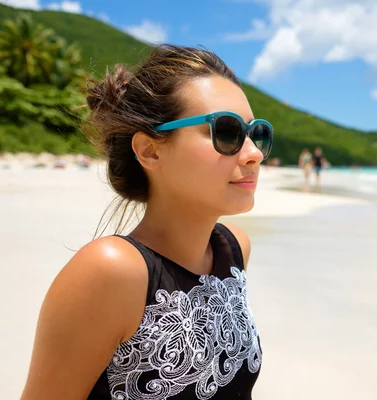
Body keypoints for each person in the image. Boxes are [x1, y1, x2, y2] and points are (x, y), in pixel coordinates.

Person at [20, 44, 272, 400]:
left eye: (256, 133)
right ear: (150, 151)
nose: (255, 154)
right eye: (227, 132)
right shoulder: (112, 271)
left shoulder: (234, 248)